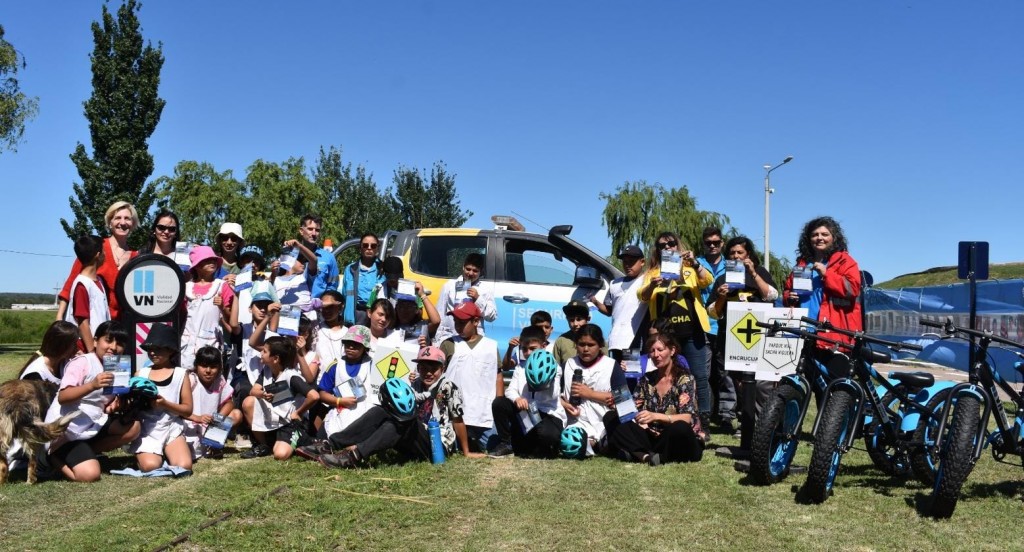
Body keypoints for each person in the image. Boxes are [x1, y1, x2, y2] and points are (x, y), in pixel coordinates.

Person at [317, 347, 484, 468]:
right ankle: (330, 444)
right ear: (418, 368)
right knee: (381, 410)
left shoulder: (448, 387)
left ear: (443, 368)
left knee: (403, 421)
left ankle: (354, 456)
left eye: (433, 368)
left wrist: (466, 451)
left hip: (436, 445)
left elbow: (458, 419)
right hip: (412, 437)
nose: (428, 372)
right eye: (423, 367)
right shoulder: (414, 384)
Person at [44, 321, 140, 482]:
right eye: (108, 340)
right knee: (90, 475)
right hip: (67, 431)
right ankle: (52, 457)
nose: (113, 347)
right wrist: (92, 385)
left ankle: (89, 451)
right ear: (95, 341)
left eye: (120, 343)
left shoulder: (117, 365)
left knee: (133, 427)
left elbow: (106, 399)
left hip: (93, 423)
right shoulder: (83, 362)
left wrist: (115, 403)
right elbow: (63, 397)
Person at [638, 231, 714, 434]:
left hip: (692, 332)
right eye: (662, 245)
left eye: (671, 243)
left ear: (677, 245)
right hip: (665, 335)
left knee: (699, 377)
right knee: (665, 375)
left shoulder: (690, 268)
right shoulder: (653, 272)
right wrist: (653, 286)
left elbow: (708, 280)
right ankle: (666, 416)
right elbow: (642, 296)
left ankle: (703, 425)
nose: (667, 248)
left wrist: (695, 263)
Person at [706, 236, 778, 449]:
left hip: (759, 337)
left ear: (748, 255)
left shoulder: (760, 273)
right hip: (732, 338)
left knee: (762, 384)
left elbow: (772, 296)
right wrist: (720, 297)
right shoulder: (723, 278)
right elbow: (713, 312)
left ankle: (764, 425)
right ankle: (745, 424)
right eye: (732, 253)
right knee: (739, 383)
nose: (736, 256)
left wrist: (754, 273)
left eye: (740, 253)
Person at [603, 333, 705, 465]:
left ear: (672, 350)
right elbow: (634, 408)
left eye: (660, 350)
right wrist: (619, 406)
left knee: (680, 428)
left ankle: (637, 453)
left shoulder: (685, 379)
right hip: (652, 436)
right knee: (610, 417)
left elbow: (687, 417)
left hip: (674, 437)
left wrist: (655, 416)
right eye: (652, 351)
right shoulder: (647, 379)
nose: (656, 355)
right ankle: (645, 456)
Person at [783, 216, 863, 347]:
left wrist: (827, 274)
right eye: (815, 235)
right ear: (809, 239)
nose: (819, 238)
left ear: (834, 238)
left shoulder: (845, 261)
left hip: (831, 332)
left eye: (825, 234)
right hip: (802, 329)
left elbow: (853, 289)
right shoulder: (802, 264)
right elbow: (787, 290)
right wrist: (789, 297)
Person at [57, 201, 139, 321]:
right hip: (93, 322)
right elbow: (70, 284)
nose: (122, 222)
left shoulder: (137, 258)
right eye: (117, 218)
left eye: (127, 218)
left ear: (133, 223)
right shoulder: (95, 247)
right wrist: (59, 317)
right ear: (110, 222)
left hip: (124, 325)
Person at [240, 336, 319, 460]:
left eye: (265, 351)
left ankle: (305, 439)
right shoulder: (267, 370)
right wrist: (262, 394)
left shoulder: (291, 376)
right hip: (275, 418)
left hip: (291, 423)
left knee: (280, 455)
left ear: (275, 358)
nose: (261, 353)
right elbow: (253, 390)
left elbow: (314, 396)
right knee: (248, 402)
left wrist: (299, 412)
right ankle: (263, 445)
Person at [489, 329, 566, 458]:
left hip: (548, 414)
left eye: (533, 348)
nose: (528, 353)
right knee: (499, 403)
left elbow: (553, 396)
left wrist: (544, 380)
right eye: (524, 349)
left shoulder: (553, 367)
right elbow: (510, 390)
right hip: (526, 413)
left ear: (543, 346)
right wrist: (518, 399)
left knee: (548, 436)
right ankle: (506, 444)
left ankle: (542, 447)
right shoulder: (521, 367)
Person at [439, 301, 502, 452]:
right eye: (456, 322)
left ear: (476, 321)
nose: (458, 326)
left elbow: (498, 376)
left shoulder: (491, 346)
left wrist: (499, 403)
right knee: (447, 447)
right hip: (454, 413)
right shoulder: (448, 344)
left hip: (483, 414)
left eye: (462, 322)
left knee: (494, 446)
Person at [131, 323, 194, 472]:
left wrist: (165, 404)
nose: (152, 353)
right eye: (150, 349)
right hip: (147, 429)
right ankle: (146, 454)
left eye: (158, 349)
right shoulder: (140, 374)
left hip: (171, 427)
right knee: (151, 466)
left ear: (170, 350)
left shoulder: (181, 374)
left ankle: (168, 451)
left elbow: (188, 410)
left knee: (183, 466)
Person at [696, 227, 733, 430]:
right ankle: (705, 413)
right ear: (703, 243)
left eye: (716, 242)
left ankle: (726, 415)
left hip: (727, 325)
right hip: (703, 324)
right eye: (708, 242)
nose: (712, 245)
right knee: (704, 372)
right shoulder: (695, 265)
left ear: (722, 243)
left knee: (725, 373)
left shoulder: (732, 265)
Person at [560, 324, 616, 457]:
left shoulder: (611, 365)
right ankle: (592, 444)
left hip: (603, 421)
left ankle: (600, 443)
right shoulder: (568, 364)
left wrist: (589, 394)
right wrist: (565, 404)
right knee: (571, 442)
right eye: (581, 344)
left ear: (600, 345)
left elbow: (623, 398)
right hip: (576, 421)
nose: (585, 349)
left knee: (618, 437)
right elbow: (554, 395)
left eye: (591, 345)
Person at [181, 245, 238, 371]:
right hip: (187, 343)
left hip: (211, 342)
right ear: (197, 265)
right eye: (207, 260)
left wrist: (222, 307)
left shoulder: (221, 286)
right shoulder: (186, 287)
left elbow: (231, 317)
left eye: (213, 260)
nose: (212, 262)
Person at [183, 346, 242, 461]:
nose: (208, 371)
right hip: (189, 424)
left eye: (213, 367)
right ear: (196, 366)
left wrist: (217, 420)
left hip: (210, 425)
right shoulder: (190, 380)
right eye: (204, 366)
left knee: (236, 414)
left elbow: (229, 402)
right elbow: (177, 410)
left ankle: (214, 444)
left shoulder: (219, 380)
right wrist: (197, 418)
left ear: (220, 368)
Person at [591, 244, 648, 359]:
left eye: (632, 261)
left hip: (634, 340)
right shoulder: (614, 284)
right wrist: (596, 302)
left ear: (642, 262)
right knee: (618, 375)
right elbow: (609, 310)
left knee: (632, 374)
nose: (627, 265)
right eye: (625, 262)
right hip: (616, 340)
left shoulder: (647, 280)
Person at [433, 252, 497, 345]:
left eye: (475, 271)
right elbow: (440, 313)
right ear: (463, 267)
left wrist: (478, 299)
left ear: (481, 271)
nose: (470, 273)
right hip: (450, 337)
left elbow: (492, 317)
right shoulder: (450, 286)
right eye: (468, 269)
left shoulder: (485, 289)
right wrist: (438, 340)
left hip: (474, 339)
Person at [63, 235, 110, 353]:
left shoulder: (99, 280)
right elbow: (83, 322)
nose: (106, 254)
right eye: (104, 251)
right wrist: (92, 353)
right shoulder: (82, 285)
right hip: (86, 348)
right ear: (98, 255)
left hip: (100, 345)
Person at [341, 233, 385, 326]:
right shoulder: (350, 269)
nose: (369, 248)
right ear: (360, 248)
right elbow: (345, 294)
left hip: (376, 316)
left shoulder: (383, 270)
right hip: (355, 314)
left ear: (377, 248)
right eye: (365, 245)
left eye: (373, 246)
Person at [298, 214, 340, 300]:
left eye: (317, 230)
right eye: (310, 229)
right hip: (293, 307)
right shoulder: (291, 255)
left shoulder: (329, 258)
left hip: (317, 308)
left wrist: (324, 302)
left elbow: (333, 285)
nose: (314, 233)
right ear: (301, 231)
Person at [553, 300, 593, 367]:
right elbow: (556, 368)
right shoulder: (561, 340)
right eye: (571, 320)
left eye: (579, 319)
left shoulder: (596, 339)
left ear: (588, 319)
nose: (575, 324)